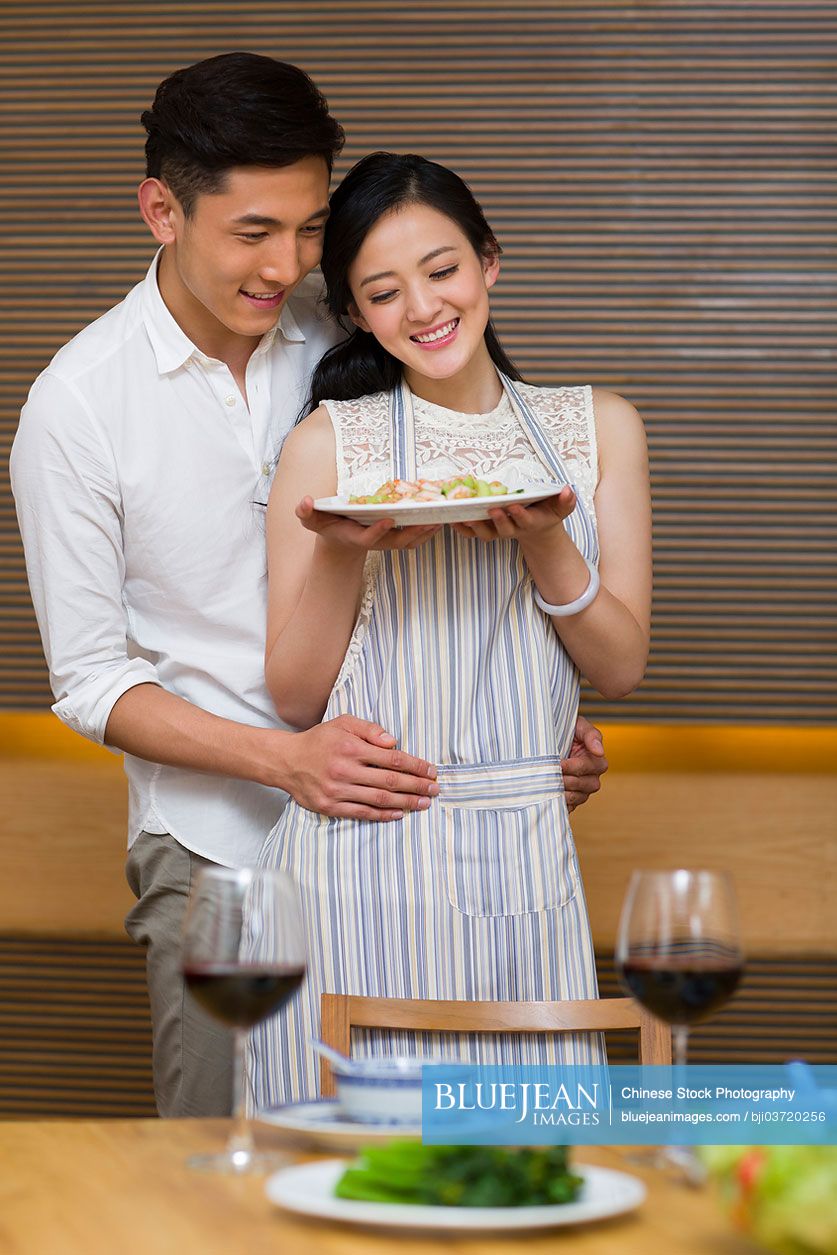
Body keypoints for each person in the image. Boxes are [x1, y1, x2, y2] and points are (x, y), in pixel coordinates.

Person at [9, 58, 609, 1118]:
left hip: (397, 847)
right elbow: (93, 682)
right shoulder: (79, 407)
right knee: (222, 1170)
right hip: (215, 851)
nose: (288, 263)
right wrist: (287, 761)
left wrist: (517, 726)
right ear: (162, 209)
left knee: (422, 1163)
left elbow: (477, 530)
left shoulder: (354, 340)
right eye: (253, 232)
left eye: (307, 227)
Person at [249, 152, 651, 1108]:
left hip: (521, 851)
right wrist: (347, 549)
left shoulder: (597, 427)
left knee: (526, 1169)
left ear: (488, 264)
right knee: (343, 1179)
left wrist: (548, 541)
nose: (423, 308)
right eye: (382, 292)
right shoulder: (325, 445)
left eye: (442, 270)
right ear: (354, 314)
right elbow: (295, 696)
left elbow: (620, 663)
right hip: (354, 861)